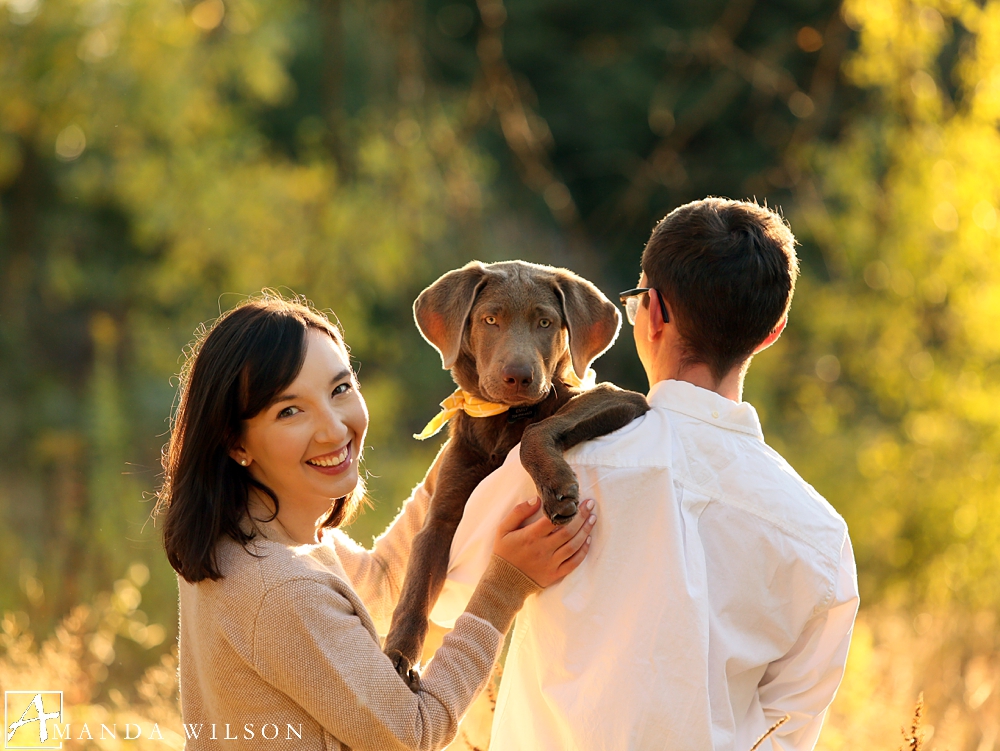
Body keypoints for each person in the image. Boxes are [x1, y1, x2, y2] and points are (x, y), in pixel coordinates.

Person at [432, 198, 860, 751]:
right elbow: (783, 737)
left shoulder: (562, 466)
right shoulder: (822, 539)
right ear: (772, 331)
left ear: (651, 313)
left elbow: (445, 596)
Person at [155, 293, 596, 750]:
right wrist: (503, 589)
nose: (334, 429)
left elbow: (383, 585)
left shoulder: (253, 540)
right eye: (290, 411)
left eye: (340, 389)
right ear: (235, 441)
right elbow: (411, 732)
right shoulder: (284, 588)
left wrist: (472, 448)